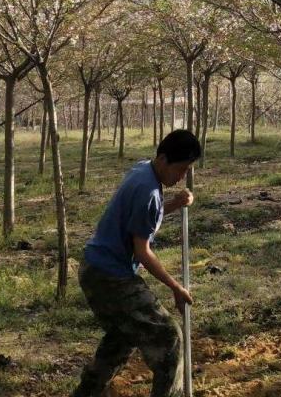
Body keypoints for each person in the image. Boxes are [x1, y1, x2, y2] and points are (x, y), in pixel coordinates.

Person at [72, 129, 201, 397]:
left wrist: (175, 203)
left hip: (95, 269)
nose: (181, 177)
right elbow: (142, 251)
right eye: (181, 169)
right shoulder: (148, 191)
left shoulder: (144, 170)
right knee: (169, 338)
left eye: (187, 170)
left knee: (122, 337)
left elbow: (142, 216)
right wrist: (176, 287)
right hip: (110, 278)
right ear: (164, 159)